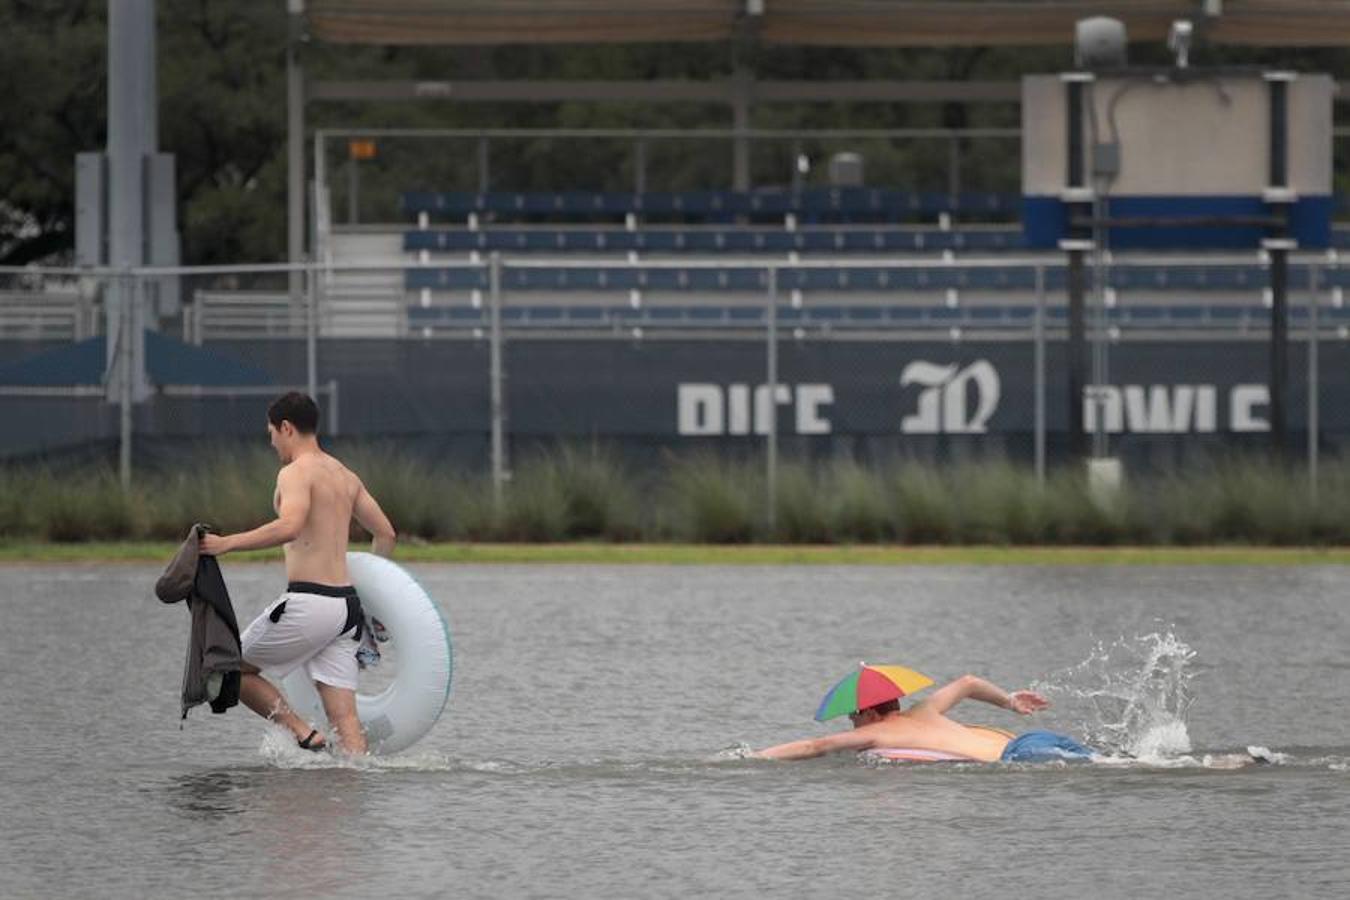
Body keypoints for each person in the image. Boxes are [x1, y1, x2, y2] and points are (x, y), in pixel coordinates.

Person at [199, 392, 397, 754]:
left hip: (310, 602)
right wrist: (368, 597)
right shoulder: (345, 475)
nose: (272, 442)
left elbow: (290, 526)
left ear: (286, 428)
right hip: (347, 609)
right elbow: (386, 534)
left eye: (271, 434)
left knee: (225, 664)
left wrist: (226, 544)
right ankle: (357, 778)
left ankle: (303, 733)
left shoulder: (294, 472)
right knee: (345, 719)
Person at [753, 673, 1094, 763]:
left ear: (869, 712)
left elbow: (815, 745)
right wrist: (1010, 702)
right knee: (1107, 760)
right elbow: (968, 682)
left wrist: (755, 757)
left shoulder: (877, 734)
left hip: (1021, 758)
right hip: (1032, 740)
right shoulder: (925, 710)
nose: (851, 724)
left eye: (852, 716)